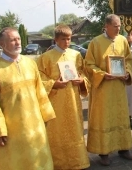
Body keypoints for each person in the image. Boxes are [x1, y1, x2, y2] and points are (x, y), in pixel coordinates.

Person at [0, 27, 56, 170]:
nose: (17, 42)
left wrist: (46, 116)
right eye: (12, 40)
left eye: (18, 39)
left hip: (35, 126)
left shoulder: (30, 63)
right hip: (12, 130)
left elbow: (40, 92)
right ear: (2, 44)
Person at [36, 24, 90, 170]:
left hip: (73, 100)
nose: (67, 42)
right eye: (63, 39)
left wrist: (82, 81)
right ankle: (58, 163)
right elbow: (38, 79)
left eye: (69, 39)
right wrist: (53, 84)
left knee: (75, 131)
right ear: (55, 40)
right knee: (57, 132)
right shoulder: (45, 57)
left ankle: (78, 162)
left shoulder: (76, 55)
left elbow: (83, 73)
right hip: (55, 102)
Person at [85, 14, 132, 166]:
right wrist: (102, 74)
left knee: (120, 117)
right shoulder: (96, 42)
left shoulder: (122, 40)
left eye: (119, 26)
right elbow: (88, 65)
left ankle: (124, 148)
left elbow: (128, 59)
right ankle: (104, 152)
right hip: (104, 89)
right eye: (115, 26)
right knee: (104, 119)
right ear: (106, 26)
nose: (118, 28)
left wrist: (127, 72)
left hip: (118, 88)